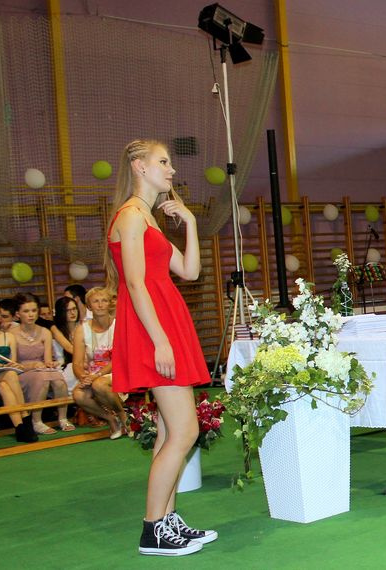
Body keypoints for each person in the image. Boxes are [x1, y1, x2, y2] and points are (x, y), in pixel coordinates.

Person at [106, 139, 215, 556]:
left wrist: (190, 223)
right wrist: (160, 342)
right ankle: (153, 529)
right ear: (139, 166)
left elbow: (189, 270)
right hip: (153, 330)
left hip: (166, 324)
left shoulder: (148, 219)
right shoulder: (131, 216)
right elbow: (135, 284)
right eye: (163, 162)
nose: (171, 170)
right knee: (185, 430)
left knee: (171, 430)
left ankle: (167, 520)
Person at [12, 293, 74, 434]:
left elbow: (47, 360)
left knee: (58, 378)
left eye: (34, 310)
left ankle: (63, 418)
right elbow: (13, 364)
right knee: (43, 379)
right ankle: (36, 421)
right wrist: (32, 366)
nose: (31, 315)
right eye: (26, 311)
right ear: (17, 314)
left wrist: (51, 364)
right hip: (22, 372)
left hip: (42, 370)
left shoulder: (45, 332)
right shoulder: (11, 334)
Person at [70, 286, 126, 438]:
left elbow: (119, 359)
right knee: (78, 395)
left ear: (109, 304)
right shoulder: (81, 329)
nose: (100, 305)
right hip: (94, 374)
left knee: (99, 384)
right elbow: (77, 363)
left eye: (104, 301)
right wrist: (83, 377)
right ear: (89, 306)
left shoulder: (118, 325)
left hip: (118, 370)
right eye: (96, 301)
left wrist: (97, 375)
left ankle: (122, 415)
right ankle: (111, 419)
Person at [0, 299, 38, 443]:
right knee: (8, 376)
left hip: (2, 379)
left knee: (6, 383)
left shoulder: (9, 337)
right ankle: (26, 419)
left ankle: (20, 428)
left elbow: (13, 364)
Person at [52, 297, 81, 391]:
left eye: (74, 309)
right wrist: (83, 359)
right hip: (64, 364)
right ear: (61, 312)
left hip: (83, 362)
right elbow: (68, 347)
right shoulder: (55, 329)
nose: (72, 313)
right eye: (67, 310)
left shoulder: (83, 326)